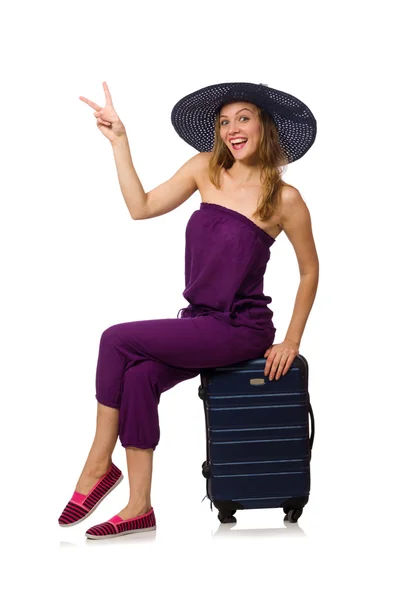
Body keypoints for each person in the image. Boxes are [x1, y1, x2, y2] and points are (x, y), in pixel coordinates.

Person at [58, 81, 319, 540]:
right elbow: (140, 208)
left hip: (242, 328)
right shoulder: (203, 169)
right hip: (200, 322)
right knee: (138, 377)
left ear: (264, 126)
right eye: (224, 122)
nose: (232, 129)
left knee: (115, 339)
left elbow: (310, 271)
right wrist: (120, 141)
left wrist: (292, 339)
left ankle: (98, 464)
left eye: (243, 117)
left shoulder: (286, 198)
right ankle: (139, 506)